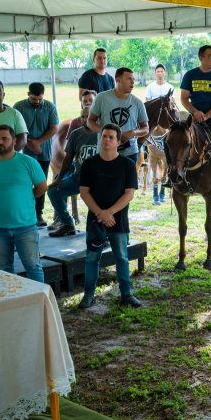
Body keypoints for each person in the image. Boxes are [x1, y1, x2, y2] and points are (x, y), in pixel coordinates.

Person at [78, 123, 140, 309]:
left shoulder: (127, 165)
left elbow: (129, 193)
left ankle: (126, 294)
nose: (106, 139)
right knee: (91, 258)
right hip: (95, 219)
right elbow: (84, 192)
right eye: (104, 136)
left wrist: (109, 213)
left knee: (121, 257)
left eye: (111, 137)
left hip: (117, 220)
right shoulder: (89, 164)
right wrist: (100, 213)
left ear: (118, 142)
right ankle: (89, 295)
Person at [0, 125, 47, 282]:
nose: (0, 142)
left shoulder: (28, 162)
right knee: (4, 269)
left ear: (14, 141)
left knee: (33, 266)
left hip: (25, 226)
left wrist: (27, 197)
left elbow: (42, 187)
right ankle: (12, 304)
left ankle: (39, 304)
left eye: (4, 138)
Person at [179, 44, 211, 191]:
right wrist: (195, 112)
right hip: (194, 117)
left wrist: (207, 115)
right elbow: (184, 99)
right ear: (201, 57)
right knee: (173, 135)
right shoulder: (190, 75)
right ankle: (172, 174)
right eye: (210, 56)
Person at [47, 90, 99, 237]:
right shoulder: (76, 134)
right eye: (82, 117)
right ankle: (68, 223)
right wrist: (59, 178)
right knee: (53, 191)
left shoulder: (102, 133)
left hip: (98, 181)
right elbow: (68, 158)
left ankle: (101, 233)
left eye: (88, 117)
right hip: (79, 178)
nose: (84, 120)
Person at [14, 82, 60, 227]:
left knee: (41, 182)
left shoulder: (50, 106)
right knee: (25, 183)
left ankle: (38, 213)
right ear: (28, 95)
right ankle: (26, 213)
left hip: (44, 152)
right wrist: (30, 143)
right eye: (34, 99)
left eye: (40, 99)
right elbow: (15, 128)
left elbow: (54, 128)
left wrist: (38, 142)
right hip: (24, 151)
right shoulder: (18, 106)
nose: (37, 102)